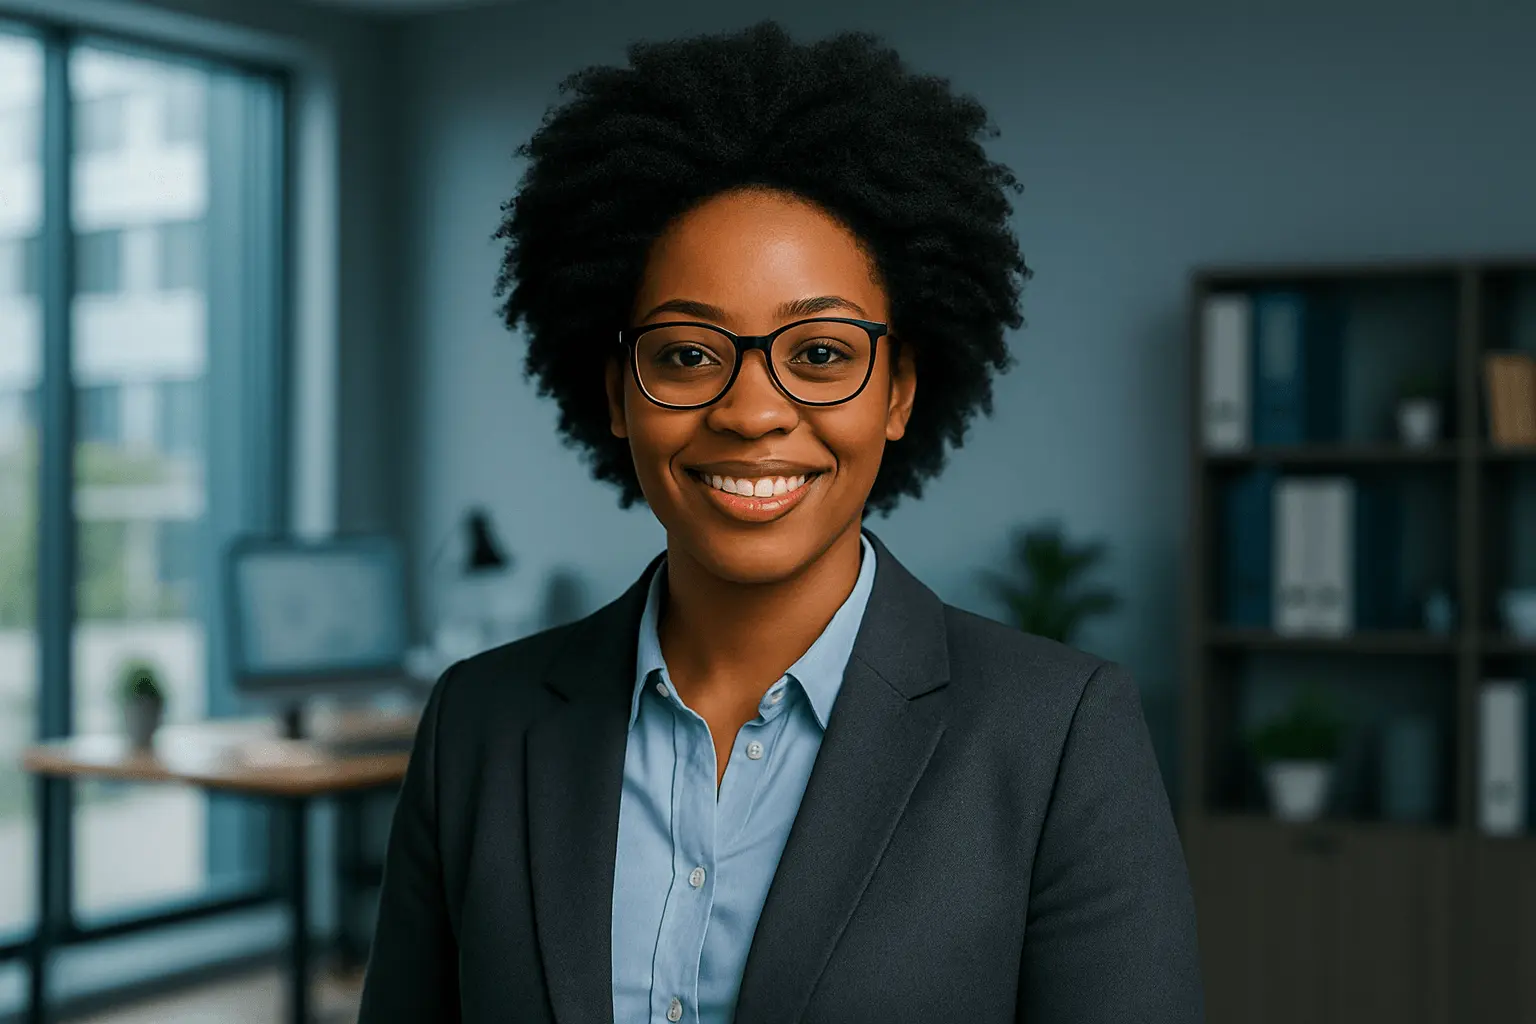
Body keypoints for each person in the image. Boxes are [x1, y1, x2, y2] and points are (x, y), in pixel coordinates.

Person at [358, 20, 1202, 1024]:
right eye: (685, 354)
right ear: (618, 394)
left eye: (819, 354)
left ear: (897, 394)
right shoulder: (478, 726)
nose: (753, 411)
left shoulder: (1058, 736)